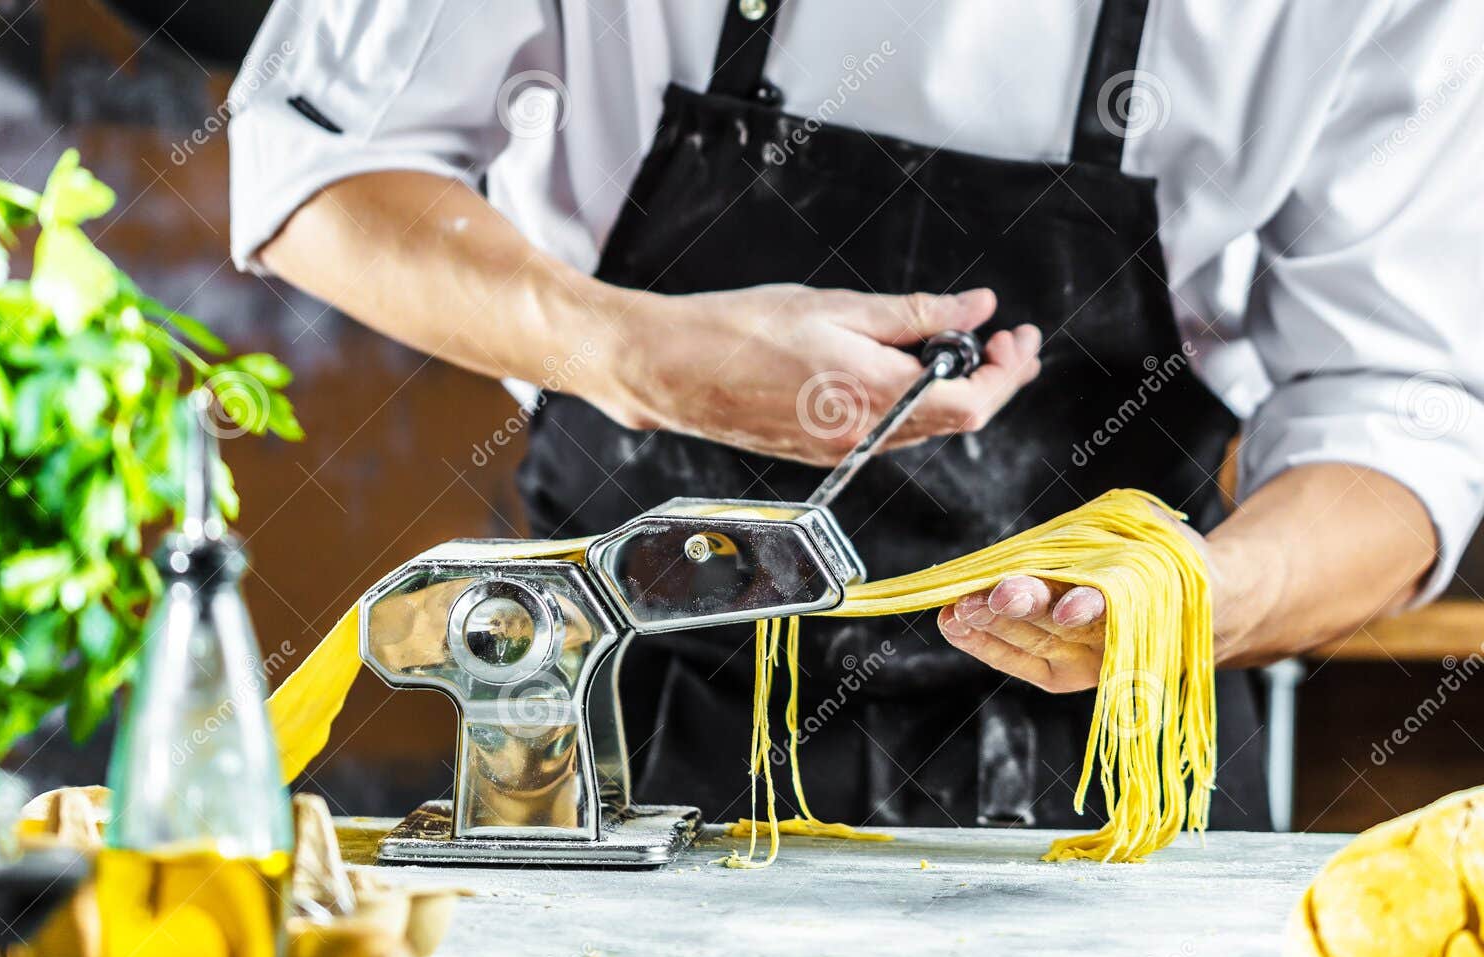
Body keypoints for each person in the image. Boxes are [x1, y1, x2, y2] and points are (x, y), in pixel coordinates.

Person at [229, 1, 1484, 831]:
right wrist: (625, 349)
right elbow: (313, 160)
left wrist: (1193, 599)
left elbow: (1401, 410)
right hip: (610, 719)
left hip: (1104, 776)